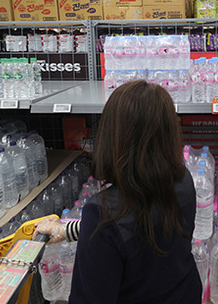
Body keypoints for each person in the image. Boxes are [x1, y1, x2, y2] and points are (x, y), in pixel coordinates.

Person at [34, 80, 202, 303]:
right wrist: (69, 230)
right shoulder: (182, 180)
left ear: (113, 137)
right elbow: (136, 232)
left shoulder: (104, 212)